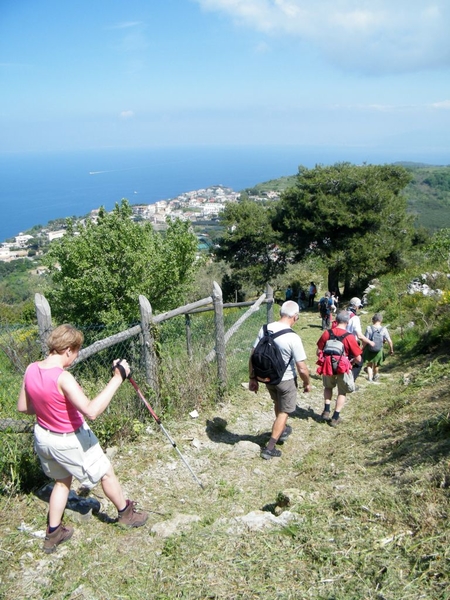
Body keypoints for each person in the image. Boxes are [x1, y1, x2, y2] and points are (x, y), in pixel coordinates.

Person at [17, 324, 148, 554]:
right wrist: (118, 378)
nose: (75, 357)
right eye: (76, 352)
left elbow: (23, 407)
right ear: (68, 350)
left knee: (62, 481)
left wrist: (48, 407)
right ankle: (125, 514)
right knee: (105, 472)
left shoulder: (31, 369)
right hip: (69, 439)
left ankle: (54, 532)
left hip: (44, 437)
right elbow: (91, 411)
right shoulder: (63, 378)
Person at [248, 301, 311, 460]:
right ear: (295, 317)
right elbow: (302, 368)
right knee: (284, 412)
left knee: (278, 403)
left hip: (268, 378)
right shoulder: (293, 337)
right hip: (286, 380)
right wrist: (307, 382)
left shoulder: (265, 329)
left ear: (280, 313)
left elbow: (253, 355)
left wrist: (252, 378)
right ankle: (270, 448)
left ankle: (281, 430)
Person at [316, 311, 362, 427]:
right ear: (347, 322)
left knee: (328, 387)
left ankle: (326, 410)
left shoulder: (327, 333)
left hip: (328, 364)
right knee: (342, 391)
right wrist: (350, 361)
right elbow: (358, 358)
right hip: (342, 366)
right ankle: (335, 417)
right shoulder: (349, 337)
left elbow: (318, 351)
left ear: (336, 320)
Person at [345, 297, 374, 381]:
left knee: (345, 360)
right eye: (358, 306)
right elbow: (360, 335)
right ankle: (350, 382)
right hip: (351, 342)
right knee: (359, 361)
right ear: (355, 306)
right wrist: (369, 342)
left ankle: (343, 377)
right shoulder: (355, 318)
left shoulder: (343, 314)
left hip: (341, 340)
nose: (359, 308)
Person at [362, 313, 394, 382]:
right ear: (381, 320)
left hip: (369, 348)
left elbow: (365, 340)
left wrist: (362, 348)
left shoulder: (369, 328)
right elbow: (390, 341)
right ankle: (375, 375)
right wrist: (391, 349)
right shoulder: (384, 329)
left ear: (373, 320)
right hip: (379, 349)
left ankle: (370, 378)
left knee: (369, 364)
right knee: (376, 364)